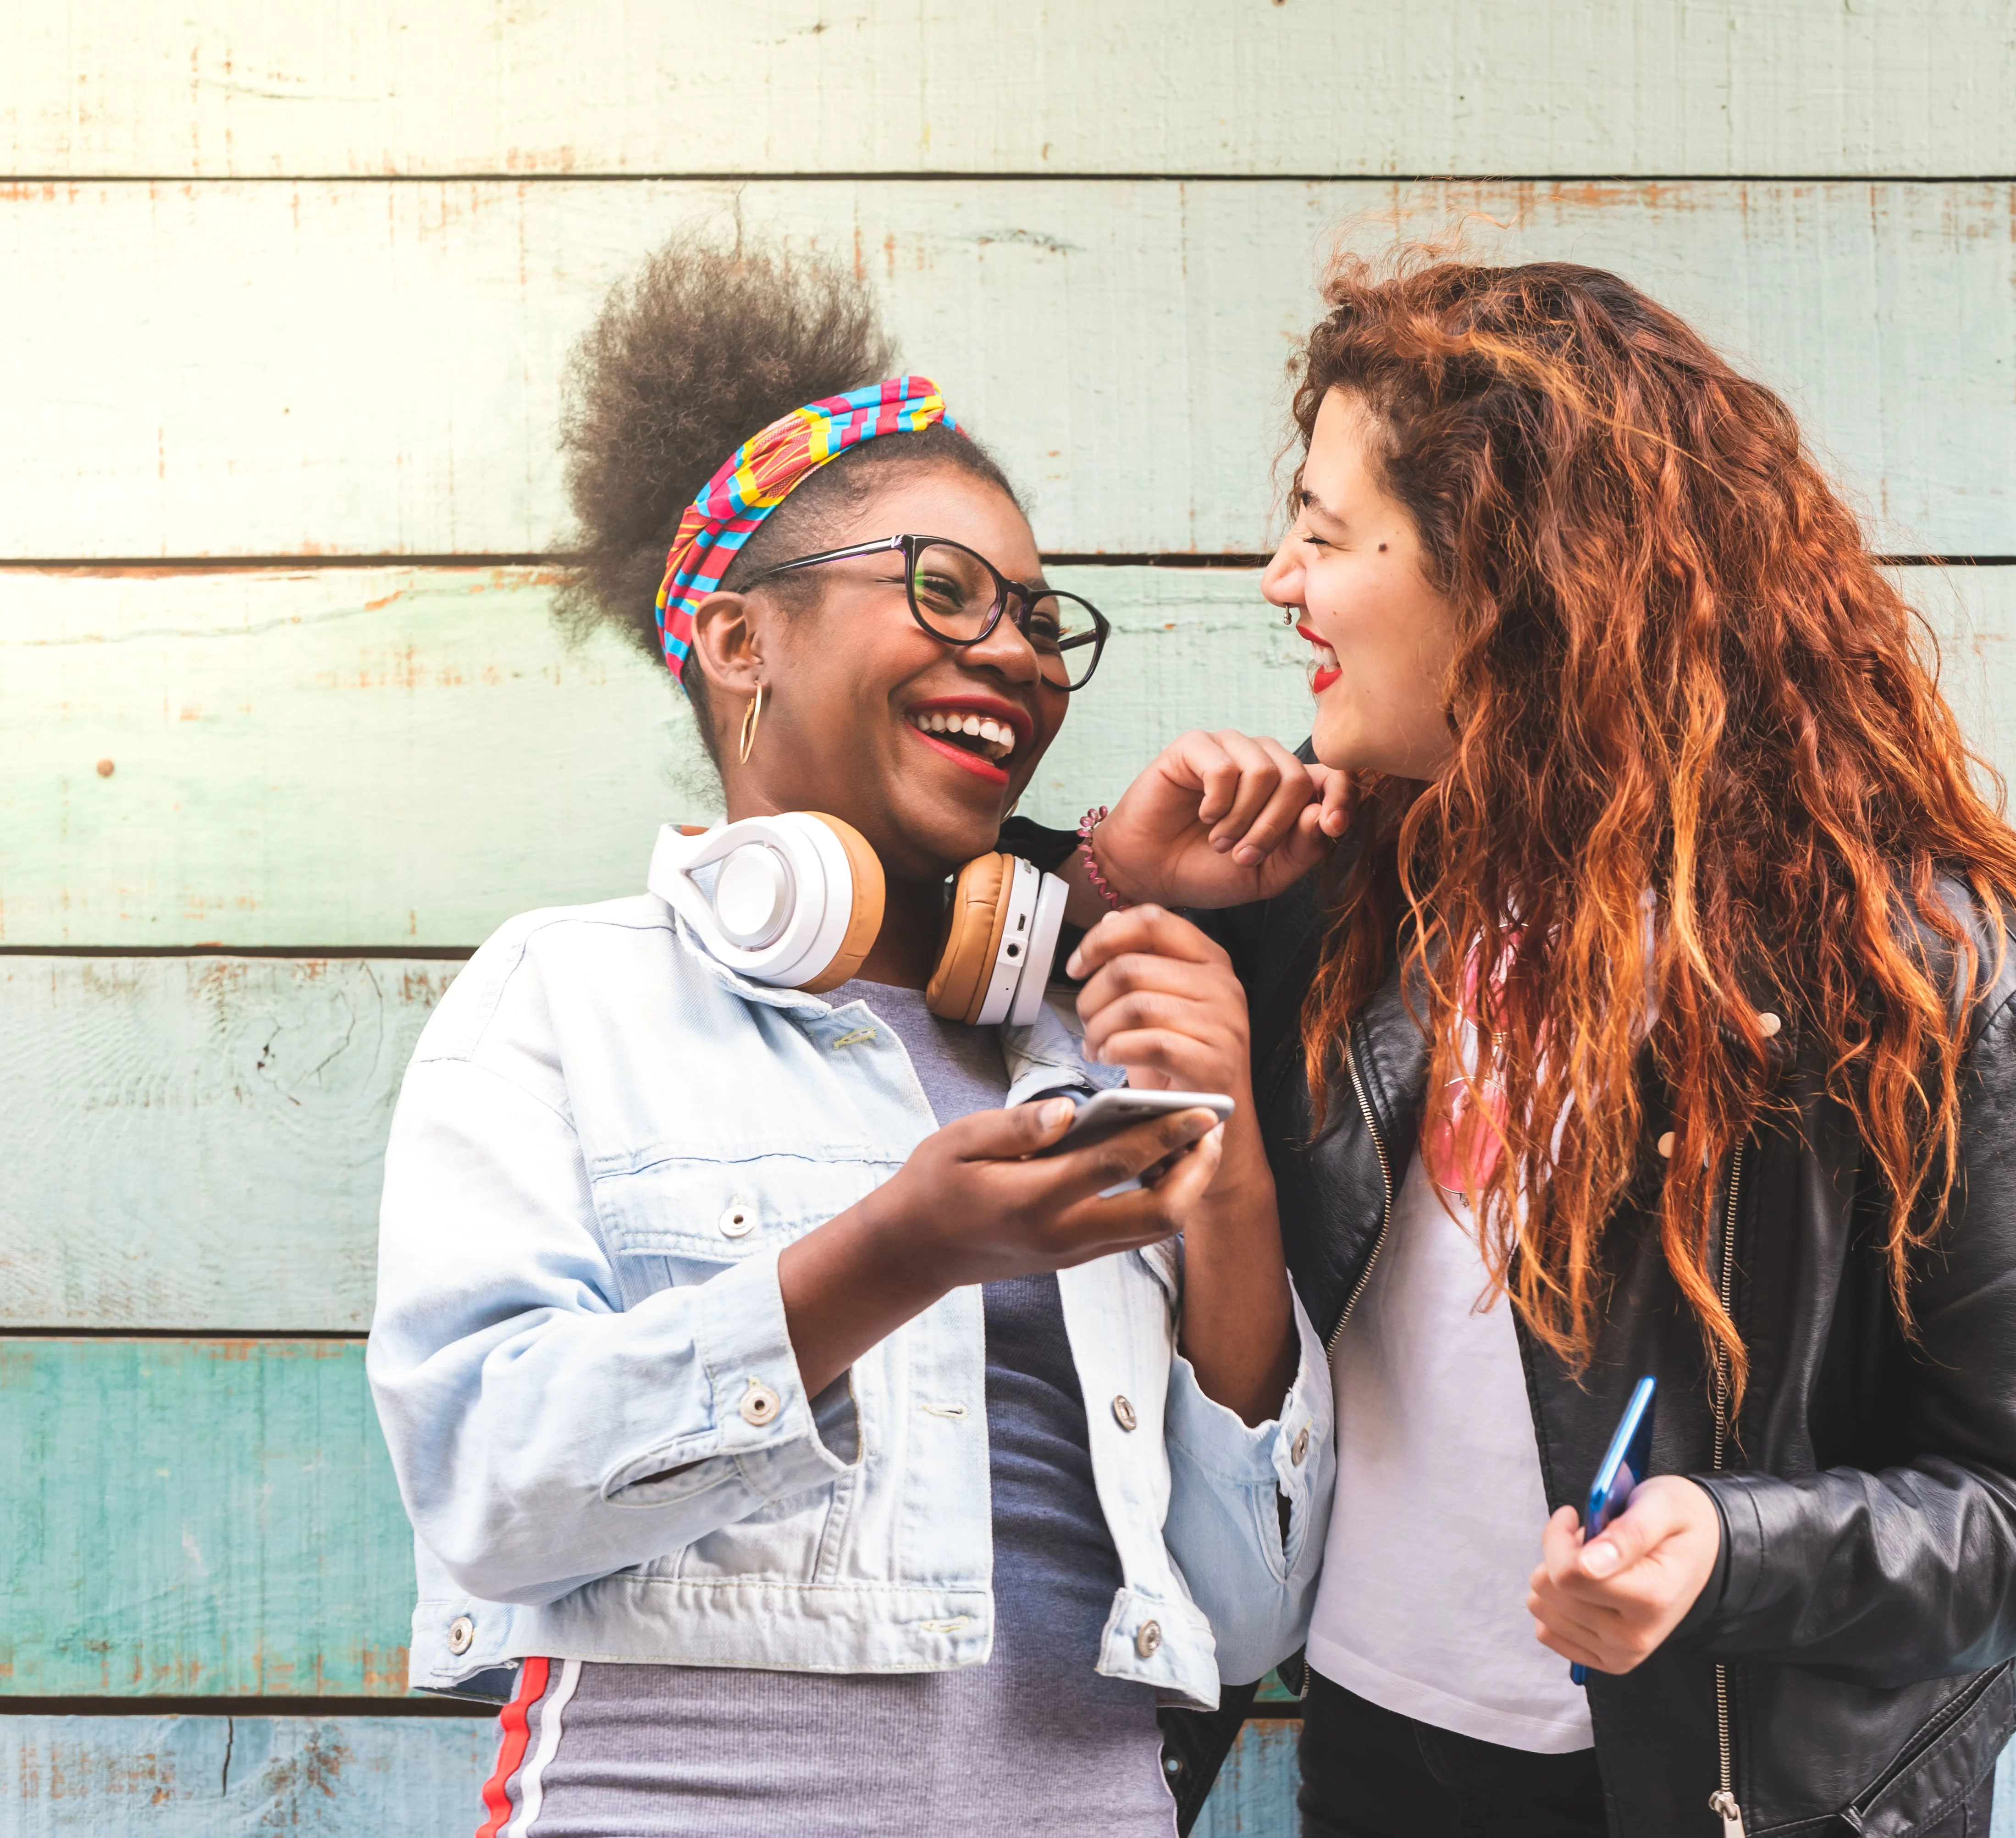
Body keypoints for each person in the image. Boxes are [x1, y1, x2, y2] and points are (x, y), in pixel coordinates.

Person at [1080, 258, 2016, 1838]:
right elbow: (969, 945)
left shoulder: (1924, 974)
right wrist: (1133, 874)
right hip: (1375, 1758)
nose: (1276, 580)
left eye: (1324, 533)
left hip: (1733, 1795)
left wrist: (1733, 1550)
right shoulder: (1329, 894)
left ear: (1509, 572)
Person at [365, 242, 1330, 1838]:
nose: (1015, 654)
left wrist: (1219, 1159)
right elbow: (486, 1492)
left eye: (1035, 618)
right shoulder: (564, 997)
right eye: (942, 591)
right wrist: (894, 1254)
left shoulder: (1096, 1035)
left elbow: (1247, 1620)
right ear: (740, 644)